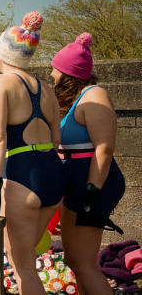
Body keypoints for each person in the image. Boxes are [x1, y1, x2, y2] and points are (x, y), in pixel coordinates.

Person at [0, 12, 63, 295]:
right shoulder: (47, 89)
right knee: (27, 260)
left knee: (21, 264)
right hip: (52, 174)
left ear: (4, 54)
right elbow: (56, 138)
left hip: (24, 173)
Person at [52, 32, 125, 294]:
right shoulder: (77, 100)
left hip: (92, 184)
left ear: (67, 73)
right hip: (77, 184)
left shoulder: (95, 96)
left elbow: (104, 148)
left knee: (83, 262)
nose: (51, 75)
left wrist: (91, 194)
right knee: (75, 260)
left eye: (55, 70)